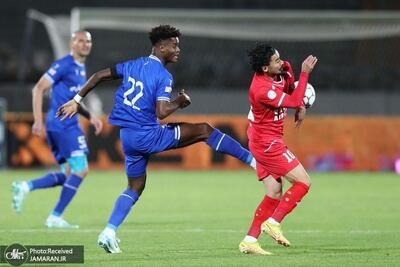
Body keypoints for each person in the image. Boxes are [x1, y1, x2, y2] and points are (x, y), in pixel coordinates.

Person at [57, 25, 256, 253]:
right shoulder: (163, 75)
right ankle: (254, 162)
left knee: (135, 186)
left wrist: (76, 99)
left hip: (127, 137)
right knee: (204, 130)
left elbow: (99, 76)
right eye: (174, 45)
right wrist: (179, 102)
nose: (178, 50)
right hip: (147, 135)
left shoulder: (132, 65)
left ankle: (109, 231)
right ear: (161, 48)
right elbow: (162, 112)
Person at [11, 30, 103, 229]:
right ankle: (55, 216)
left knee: (69, 173)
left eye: (88, 41)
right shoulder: (64, 65)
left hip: (62, 125)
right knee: (82, 170)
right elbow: (38, 89)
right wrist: (37, 120)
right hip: (63, 126)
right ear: (72, 43)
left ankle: (25, 187)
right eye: (80, 41)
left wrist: (90, 116)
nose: (85, 44)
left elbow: (74, 101)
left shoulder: (80, 67)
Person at [238, 43, 317, 255]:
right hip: (266, 143)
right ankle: (273, 222)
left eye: (279, 57)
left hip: (264, 139)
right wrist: (305, 74)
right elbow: (292, 99)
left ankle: (250, 240)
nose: (281, 62)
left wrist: (300, 107)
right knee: (303, 181)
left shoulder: (284, 69)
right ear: (265, 68)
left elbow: (292, 92)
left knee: (274, 192)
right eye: (275, 61)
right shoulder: (261, 89)